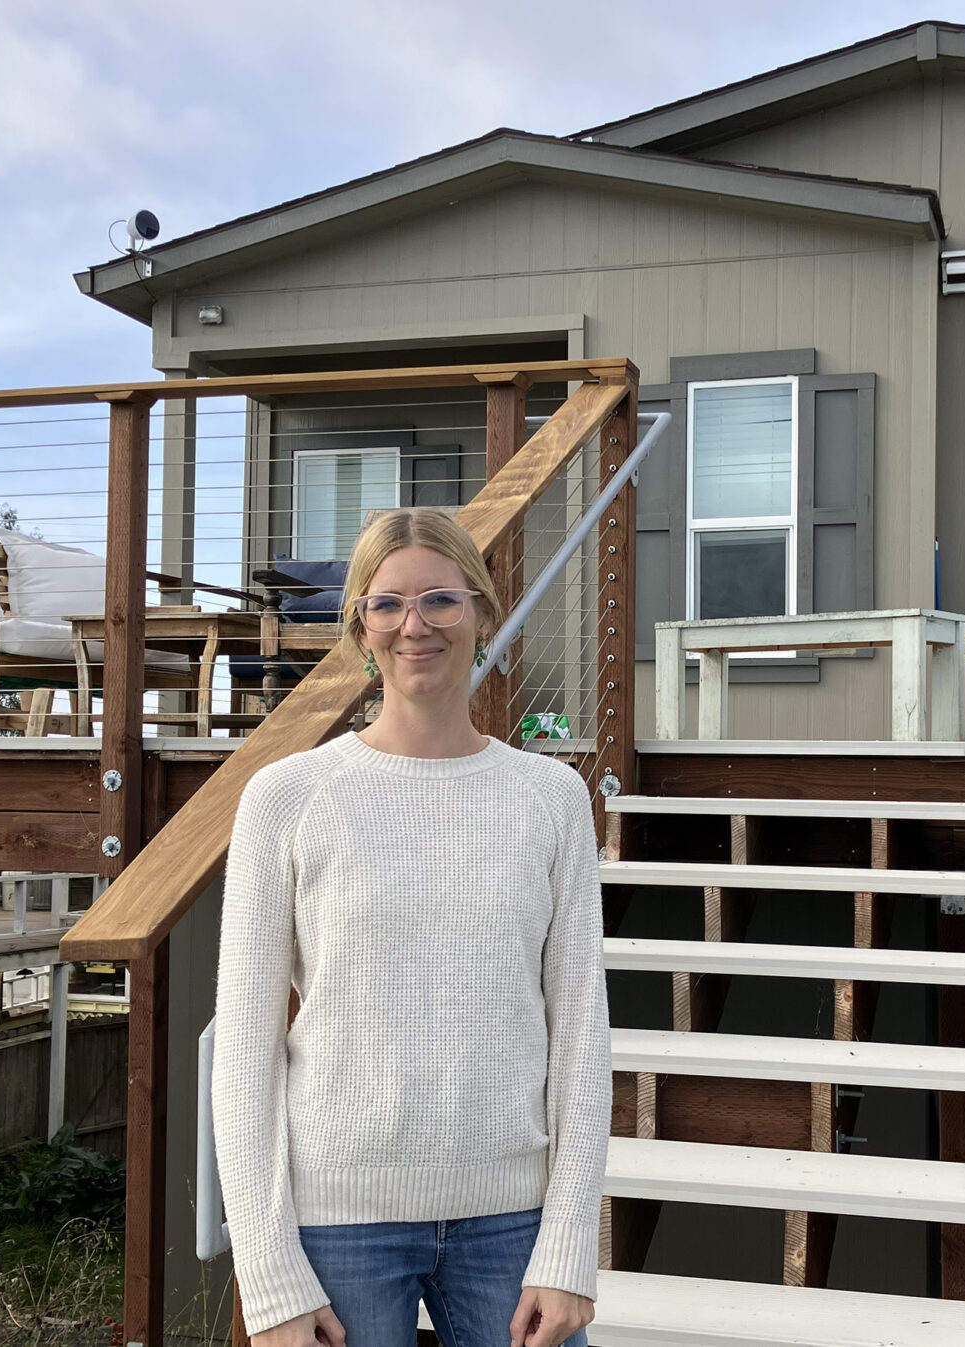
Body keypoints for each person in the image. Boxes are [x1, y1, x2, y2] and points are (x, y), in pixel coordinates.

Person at [214, 508, 611, 1347]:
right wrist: (268, 1272)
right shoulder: (285, 798)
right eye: (386, 603)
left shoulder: (552, 799)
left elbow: (581, 1034)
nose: (413, 624)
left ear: (482, 611)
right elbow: (246, 1054)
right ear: (360, 622)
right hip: (336, 1225)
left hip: (512, 1220)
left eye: (440, 599)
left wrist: (571, 1245)